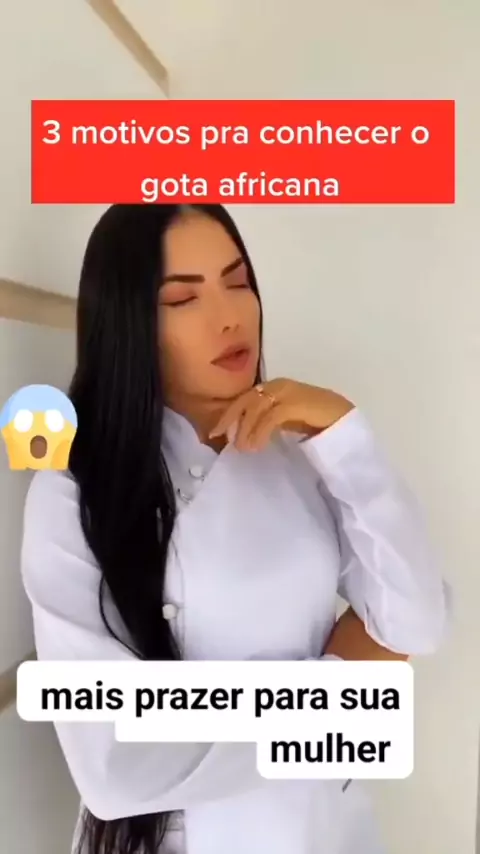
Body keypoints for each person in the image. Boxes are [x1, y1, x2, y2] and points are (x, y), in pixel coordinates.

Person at [21, 203, 450, 854]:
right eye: (183, 298)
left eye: (238, 281)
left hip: (323, 831)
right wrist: (344, 684)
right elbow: (117, 765)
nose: (229, 316)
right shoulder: (75, 489)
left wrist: (343, 431)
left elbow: (417, 621)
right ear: (130, 323)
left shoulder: (300, 457)